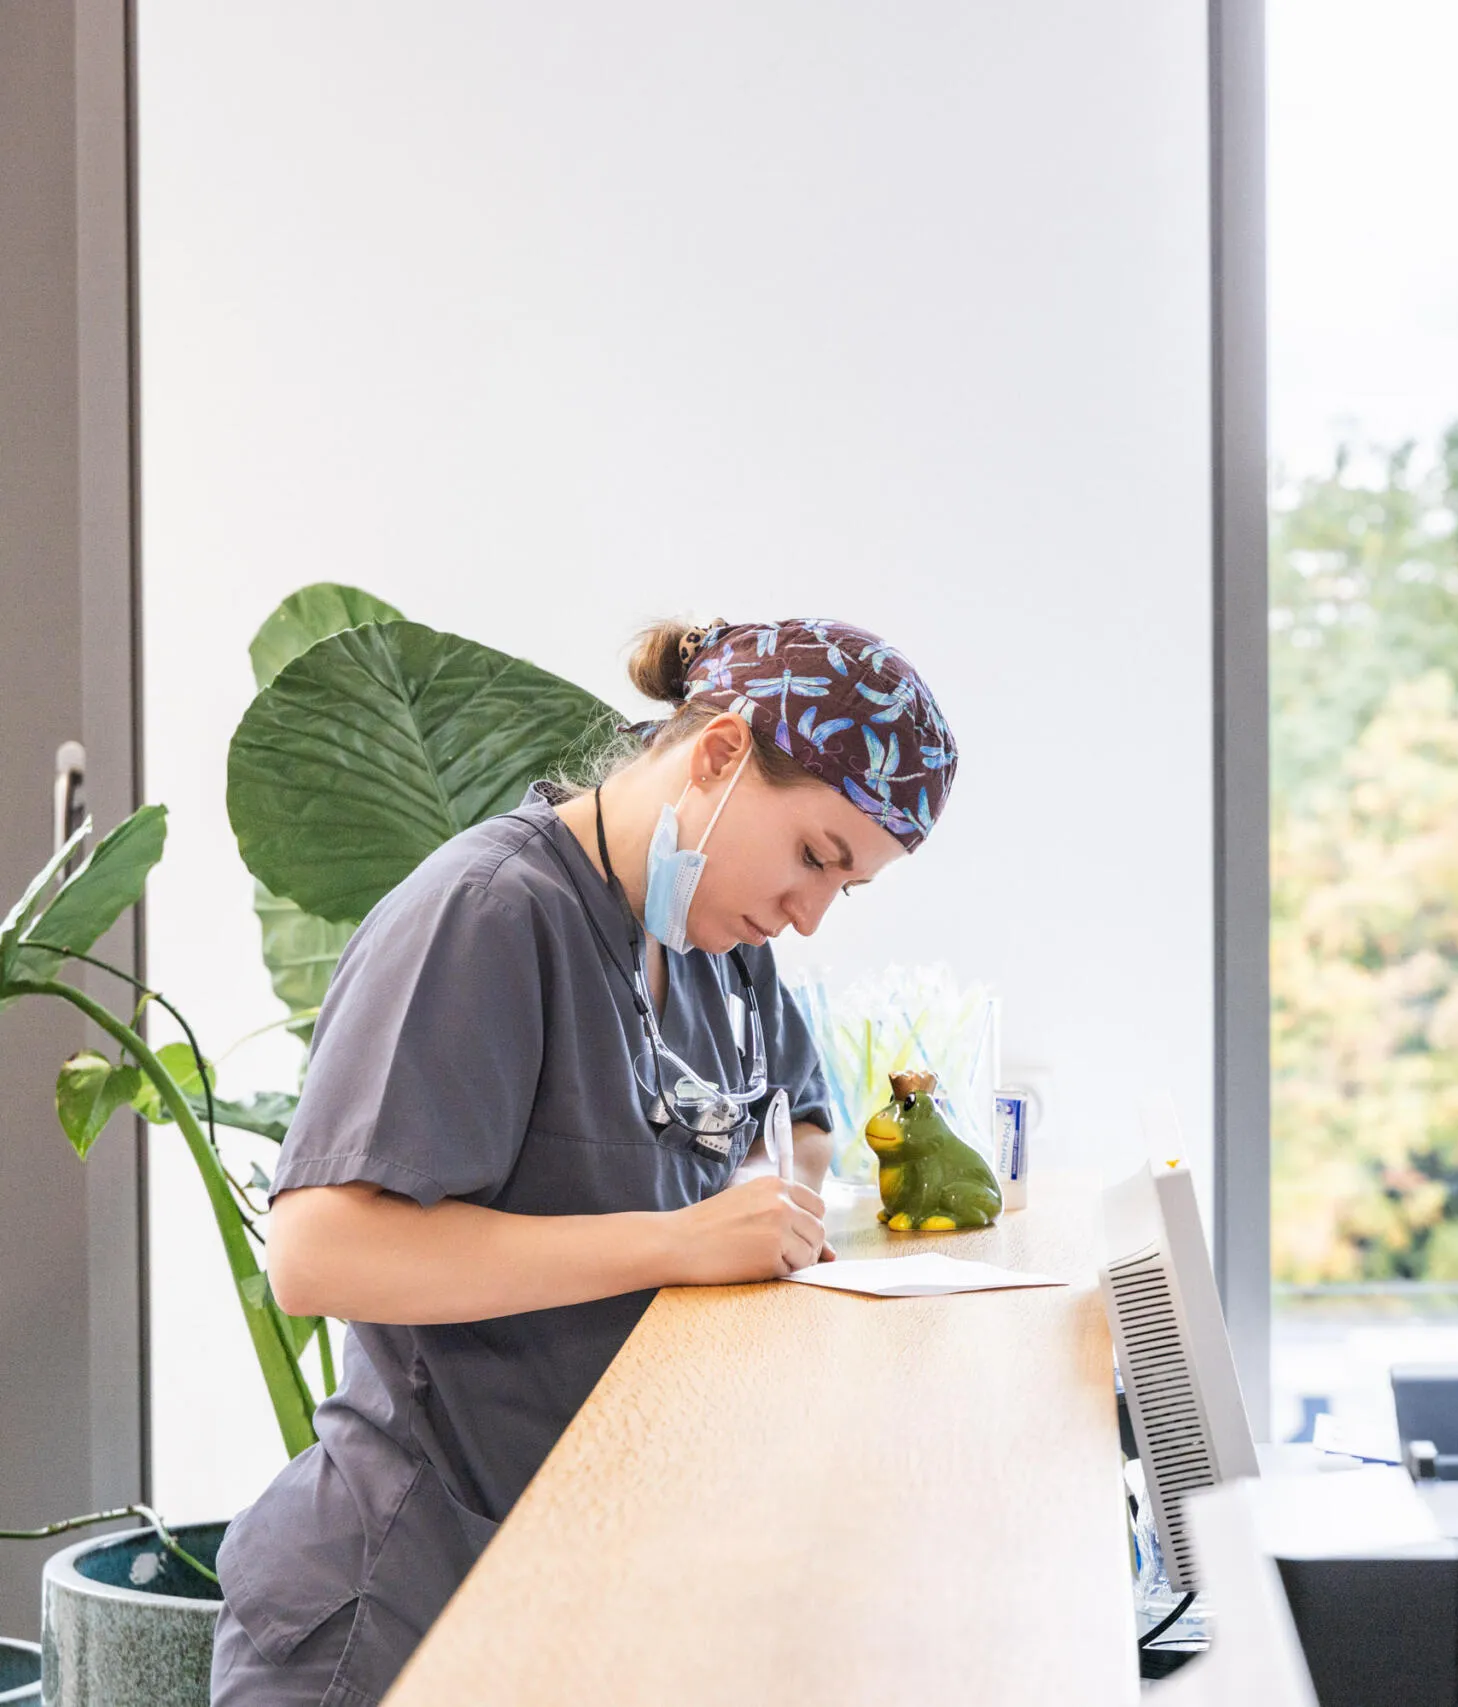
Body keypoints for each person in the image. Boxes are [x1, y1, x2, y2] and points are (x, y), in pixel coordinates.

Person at [210, 618, 958, 1706]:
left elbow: (799, 1111)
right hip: (409, 1600)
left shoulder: (718, 945)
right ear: (716, 756)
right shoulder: (489, 914)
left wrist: (775, 1185)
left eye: (847, 889)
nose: (808, 916)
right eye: (813, 857)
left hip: (580, 1584)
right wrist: (676, 1240)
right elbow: (321, 1255)